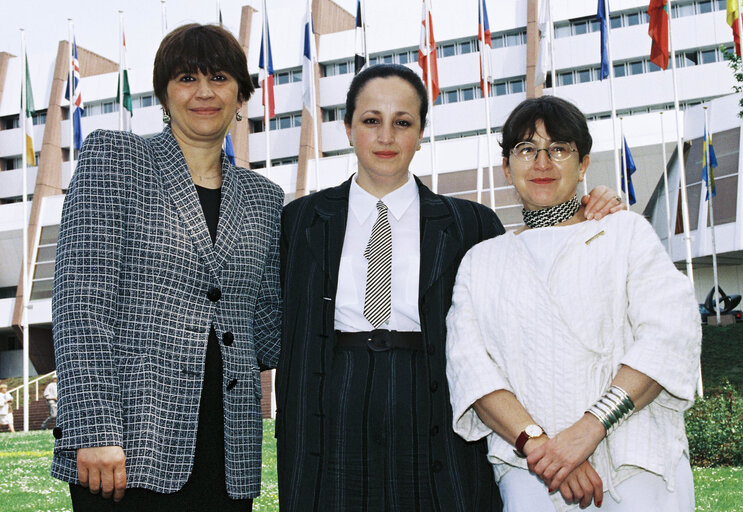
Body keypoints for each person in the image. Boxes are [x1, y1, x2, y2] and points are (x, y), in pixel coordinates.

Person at [277, 64, 624, 511]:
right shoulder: (298, 221)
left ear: (420, 132)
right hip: (330, 413)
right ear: (347, 129)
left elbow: (525, 318)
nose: (386, 137)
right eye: (371, 121)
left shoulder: (470, 224)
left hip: (437, 412)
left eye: (402, 122)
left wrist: (587, 211)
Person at [51, 24, 282, 511]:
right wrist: (93, 428)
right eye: (186, 78)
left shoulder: (265, 199)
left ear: (241, 94)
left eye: (219, 77)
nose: (203, 92)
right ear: (163, 92)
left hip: (228, 451)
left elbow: (269, 330)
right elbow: (81, 304)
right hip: (125, 448)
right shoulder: (116, 158)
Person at [445, 96, 701, 512]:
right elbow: (470, 369)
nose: (542, 163)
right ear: (507, 167)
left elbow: (670, 334)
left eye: (559, 149)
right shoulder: (481, 261)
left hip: (639, 470)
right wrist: (545, 448)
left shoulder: (626, 233)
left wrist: (590, 428)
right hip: (534, 478)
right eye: (526, 150)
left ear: (583, 164)